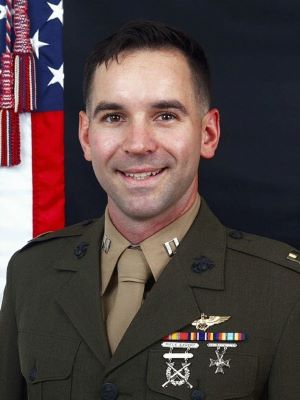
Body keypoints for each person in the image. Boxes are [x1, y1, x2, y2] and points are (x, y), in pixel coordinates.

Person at [0, 20, 299, 400]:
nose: (138, 144)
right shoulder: (31, 273)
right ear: (86, 136)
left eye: (165, 116)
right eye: (114, 117)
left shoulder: (284, 292)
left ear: (208, 134)